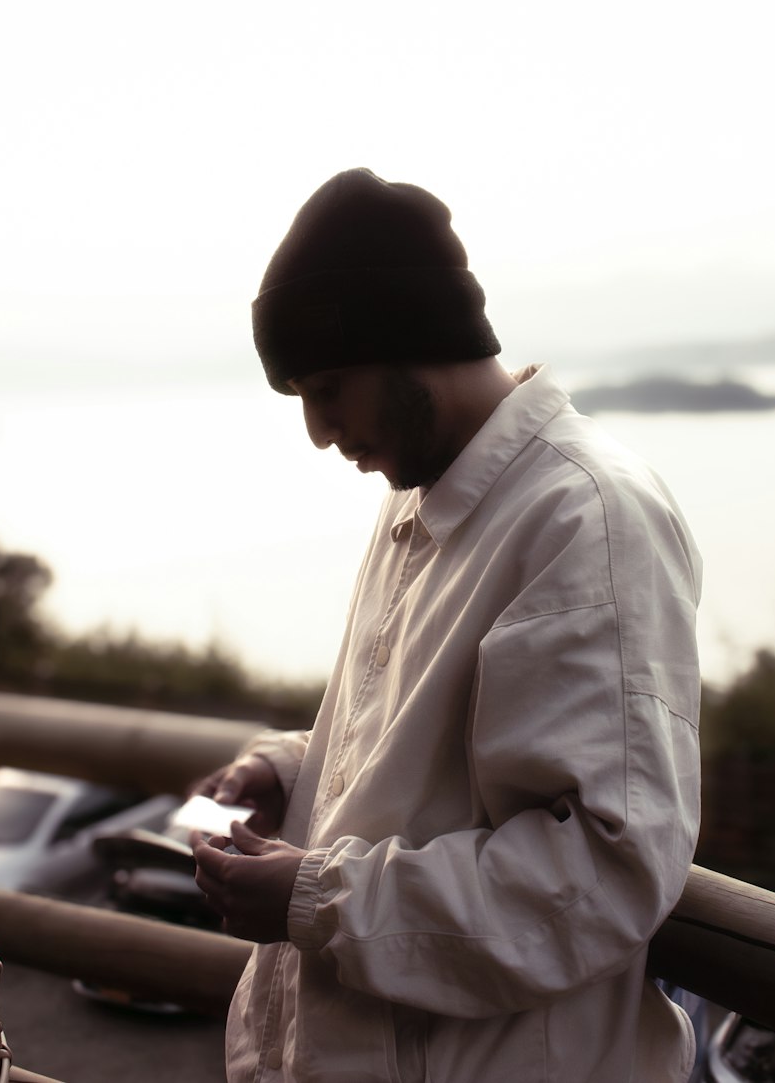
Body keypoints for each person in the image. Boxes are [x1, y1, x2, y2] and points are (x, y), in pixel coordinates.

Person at [193, 168, 702, 1083]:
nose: (318, 431)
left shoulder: (584, 517)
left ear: (408, 339)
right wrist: (291, 775)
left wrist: (318, 898)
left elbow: (598, 871)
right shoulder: (424, 499)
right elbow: (428, 762)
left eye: (329, 387)